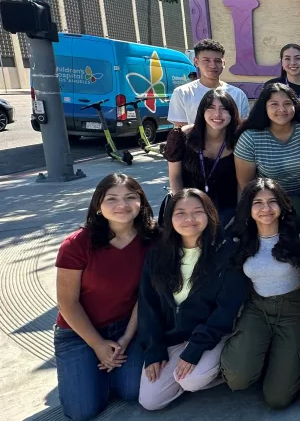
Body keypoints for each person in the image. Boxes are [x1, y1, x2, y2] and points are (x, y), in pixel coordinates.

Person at [54, 174, 155, 421]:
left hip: (126, 327)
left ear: (141, 202)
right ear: (98, 205)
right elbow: (68, 303)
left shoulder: (152, 240)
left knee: (134, 391)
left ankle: (106, 369)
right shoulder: (77, 244)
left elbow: (145, 296)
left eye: (130, 197)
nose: (122, 205)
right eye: (112, 199)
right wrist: (98, 345)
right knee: (82, 411)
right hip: (78, 332)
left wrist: (125, 339)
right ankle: (91, 369)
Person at [137, 189, 246, 410]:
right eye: (181, 213)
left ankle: (223, 368)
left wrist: (195, 350)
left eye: (198, 211)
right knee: (150, 401)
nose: (189, 219)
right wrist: (154, 348)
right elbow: (148, 305)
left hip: (213, 334)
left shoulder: (227, 251)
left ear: (209, 215)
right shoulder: (157, 254)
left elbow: (226, 309)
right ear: (169, 218)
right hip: (174, 337)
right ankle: (188, 372)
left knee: (191, 380)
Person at [220, 179, 300, 409]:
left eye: (272, 202)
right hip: (257, 308)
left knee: (277, 398)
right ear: (248, 208)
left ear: (282, 206)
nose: (265, 209)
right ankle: (261, 352)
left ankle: (281, 358)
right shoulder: (240, 239)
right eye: (257, 202)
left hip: (294, 310)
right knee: (236, 378)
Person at [234, 82, 300, 222]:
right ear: (264, 107)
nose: (281, 109)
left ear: (295, 105)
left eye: (287, 103)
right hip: (270, 205)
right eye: (274, 104)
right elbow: (247, 183)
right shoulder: (250, 138)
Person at [164, 89, 240, 226]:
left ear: (232, 113)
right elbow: (175, 176)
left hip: (229, 211)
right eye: (211, 108)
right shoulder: (181, 136)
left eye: (224, 109)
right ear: (202, 111)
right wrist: (181, 208)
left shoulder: (240, 139)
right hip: (191, 209)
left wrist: (241, 215)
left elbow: (244, 182)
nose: (217, 114)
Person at [168, 39, 250, 127]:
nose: (213, 65)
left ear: (224, 63)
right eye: (206, 60)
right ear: (196, 62)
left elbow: (242, 127)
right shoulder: (182, 93)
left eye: (217, 61)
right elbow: (180, 130)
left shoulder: (238, 94)